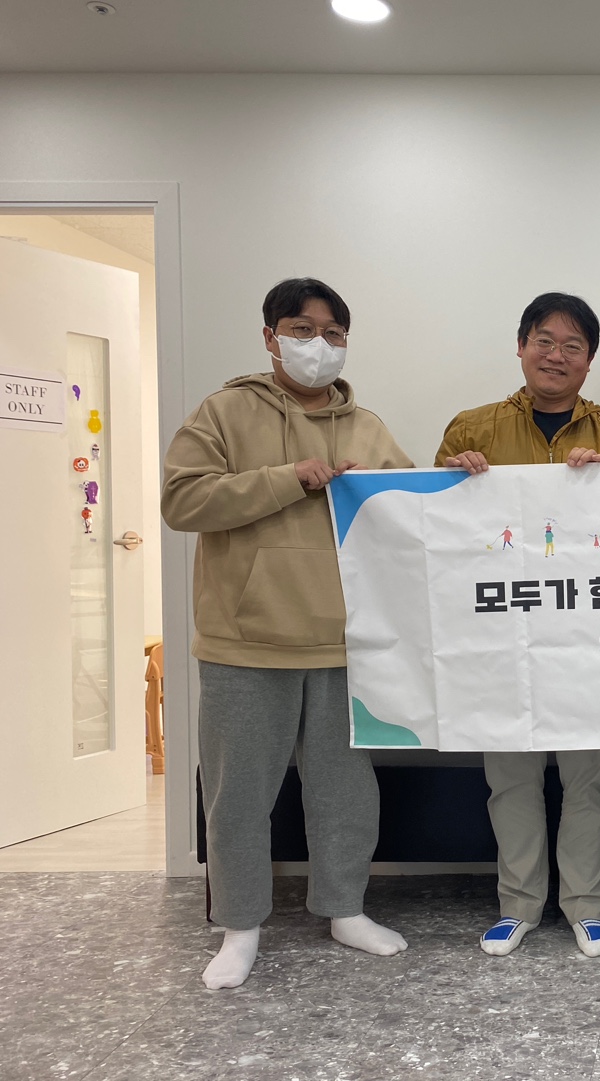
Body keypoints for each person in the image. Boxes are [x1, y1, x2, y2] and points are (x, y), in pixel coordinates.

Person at [161, 277, 413, 989]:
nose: (319, 345)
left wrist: (437, 482)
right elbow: (181, 500)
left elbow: (410, 511)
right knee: (238, 794)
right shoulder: (224, 412)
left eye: (334, 333)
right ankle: (239, 928)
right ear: (271, 337)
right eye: (303, 330)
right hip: (245, 641)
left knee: (345, 792)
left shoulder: (366, 425)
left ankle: (345, 909)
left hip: (342, 640)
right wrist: (285, 478)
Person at [434, 292, 600, 959]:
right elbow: (435, 531)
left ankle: (588, 906)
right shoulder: (472, 428)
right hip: (502, 639)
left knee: (589, 780)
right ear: (521, 346)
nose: (557, 355)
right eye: (545, 341)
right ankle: (518, 905)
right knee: (511, 778)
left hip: (588, 640)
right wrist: (451, 481)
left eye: (572, 345)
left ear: (590, 360)